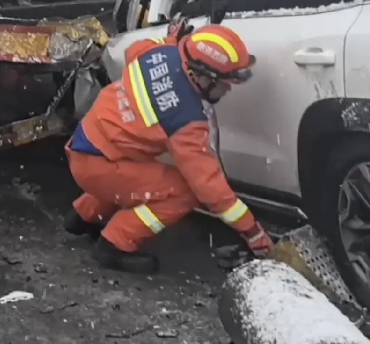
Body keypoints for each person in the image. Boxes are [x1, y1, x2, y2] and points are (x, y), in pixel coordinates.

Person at [63, 23, 274, 273]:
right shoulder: (186, 120)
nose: (228, 89)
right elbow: (209, 187)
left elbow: (133, 50)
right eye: (225, 82)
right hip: (100, 167)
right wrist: (252, 232)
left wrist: (173, 39)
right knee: (184, 192)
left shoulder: (158, 53)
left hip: (87, 146)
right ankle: (115, 245)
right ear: (203, 76)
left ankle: (83, 217)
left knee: (137, 176)